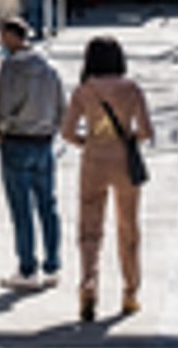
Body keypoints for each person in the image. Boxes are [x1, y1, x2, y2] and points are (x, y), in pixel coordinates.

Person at [61, 35, 153, 320]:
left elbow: (66, 132)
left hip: (93, 162)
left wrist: (87, 143)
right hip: (124, 162)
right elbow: (146, 131)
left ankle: (88, 283)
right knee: (128, 228)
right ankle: (130, 292)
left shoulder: (83, 91)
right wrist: (128, 140)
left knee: (89, 229)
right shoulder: (132, 89)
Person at [0, 17, 64, 290]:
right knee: (48, 205)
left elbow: (3, 107)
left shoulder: (10, 69)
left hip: (16, 141)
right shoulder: (49, 68)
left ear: (12, 37)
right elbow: (61, 107)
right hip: (44, 142)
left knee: (21, 209)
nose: (0, 42)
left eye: (2, 36)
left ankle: (27, 269)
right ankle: (53, 266)